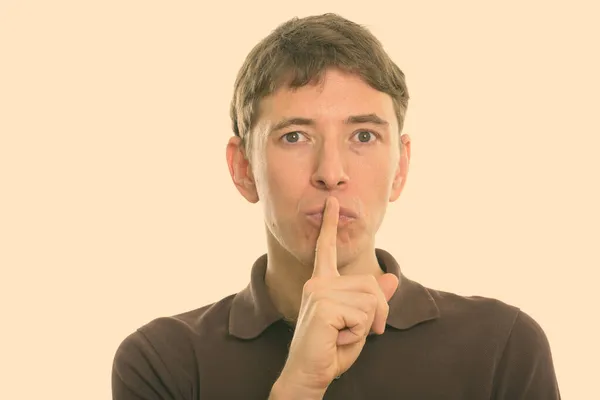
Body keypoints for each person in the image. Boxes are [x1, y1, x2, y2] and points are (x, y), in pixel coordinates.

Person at [111, 13, 561, 399]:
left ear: (400, 167)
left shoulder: (503, 345)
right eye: (295, 137)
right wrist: (299, 384)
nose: (332, 171)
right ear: (243, 169)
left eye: (363, 136)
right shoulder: (162, 362)